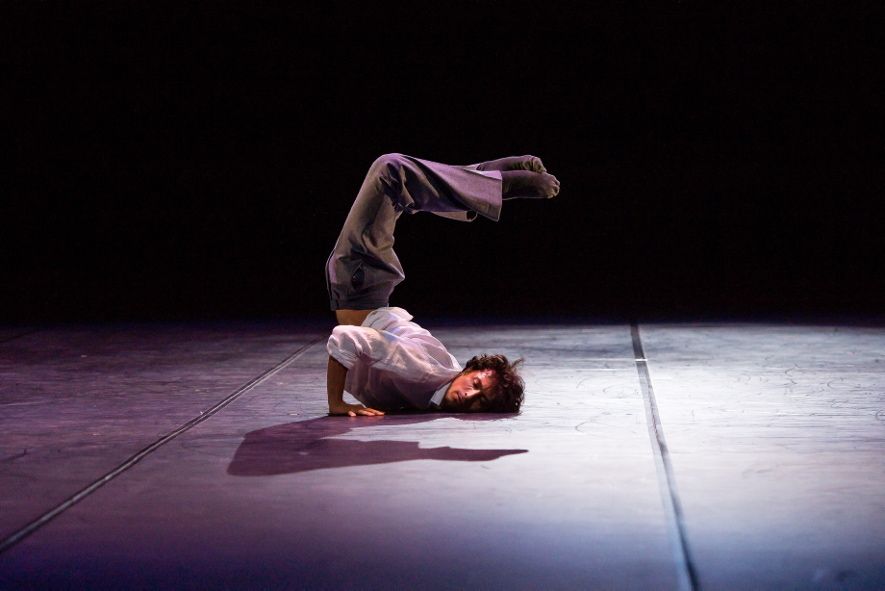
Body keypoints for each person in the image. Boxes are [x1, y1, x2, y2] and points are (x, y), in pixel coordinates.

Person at [325, 153, 559, 416]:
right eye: (475, 384)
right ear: (467, 371)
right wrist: (337, 403)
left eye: (480, 400)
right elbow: (344, 338)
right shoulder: (421, 370)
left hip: (365, 290)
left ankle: (486, 175)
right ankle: (499, 184)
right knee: (391, 171)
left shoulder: (434, 385)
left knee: (404, 187)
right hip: (360, 284)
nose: (469, 395)